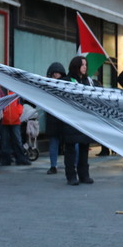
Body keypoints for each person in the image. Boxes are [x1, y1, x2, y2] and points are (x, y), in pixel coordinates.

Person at [64, 55, 95, 185]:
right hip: (71, 119)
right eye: (82, 65)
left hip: (85, 119)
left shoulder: (89, 81)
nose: (85, 67)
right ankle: (71, 176)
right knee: (70, 149)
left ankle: (84, 175)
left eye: (86, 65)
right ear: (76, 66)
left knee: (84, 148)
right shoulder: (66, 80)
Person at [44, 62, 67, 174]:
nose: (56, 75)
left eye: (57, 73)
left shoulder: (66, 84)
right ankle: (53, 166)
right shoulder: (46, 83)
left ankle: (73, 165)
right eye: (54, 73)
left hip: (63, 117)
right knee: (54, 142)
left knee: (70, 144)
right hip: (53, 118)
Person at [0, 94, 31, 167]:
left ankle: (8, 159)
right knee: (12, 141)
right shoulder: (13, 92)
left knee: (8, 141)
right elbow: (20, 104)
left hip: (10, 119)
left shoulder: (9, 92)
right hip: (11, 119)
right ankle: (17, 158)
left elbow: (20, 105)